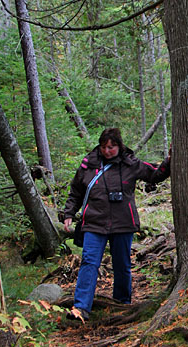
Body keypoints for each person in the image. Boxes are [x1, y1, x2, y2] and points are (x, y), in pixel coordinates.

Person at [62, 128, 170, 320]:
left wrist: (169, 161)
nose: (107, 151)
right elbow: (76, 191)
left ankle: (121, 303)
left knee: (122, 264)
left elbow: (154, 174)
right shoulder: (89, 164)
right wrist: (68, 213)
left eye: (111, 147)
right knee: (89, 262)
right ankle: (80, 308)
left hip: (123, 223)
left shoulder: (130, 163)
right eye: (104, 147)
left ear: (119, 146)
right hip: (94, 222)